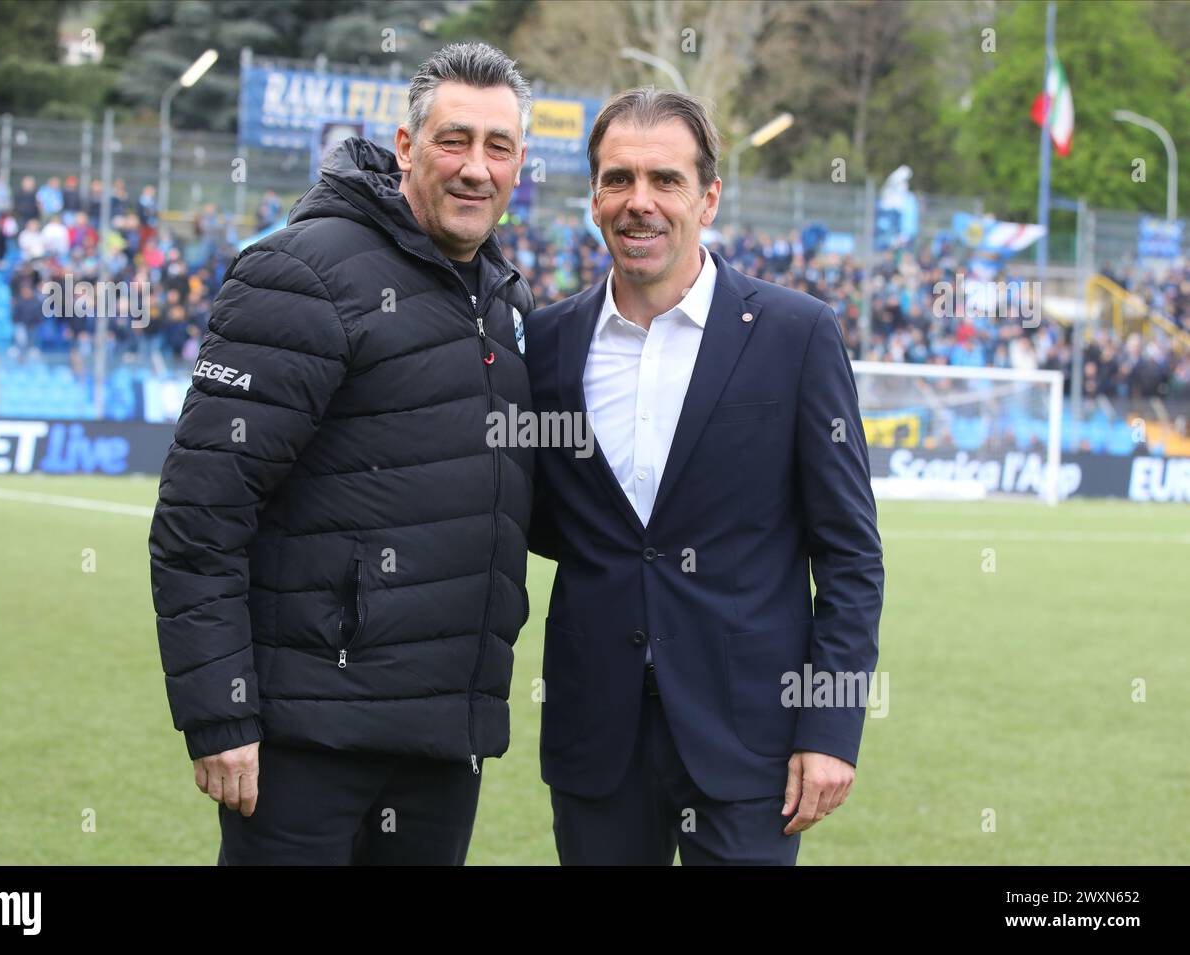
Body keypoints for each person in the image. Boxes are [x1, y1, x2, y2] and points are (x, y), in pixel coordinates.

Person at [149, 42, 535, 866]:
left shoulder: (505, 298)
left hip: (442, 741)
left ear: (520, 164)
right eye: (452, 140)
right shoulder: (301, 271)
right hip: (307, 742)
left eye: (497, 147)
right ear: (405, 147)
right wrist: (221, 713)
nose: (475, 168)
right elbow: (199, 515)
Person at [526, 88, 884, 865]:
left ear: (708, 196)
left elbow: (851, 556)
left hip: (752, 744)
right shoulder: (548, 341)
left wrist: (829, 727)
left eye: (665, 180)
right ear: (593, 196)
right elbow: (545, 520)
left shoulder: (796, 334)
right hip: (597, 737)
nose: (639, 203)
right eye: (618, 179)